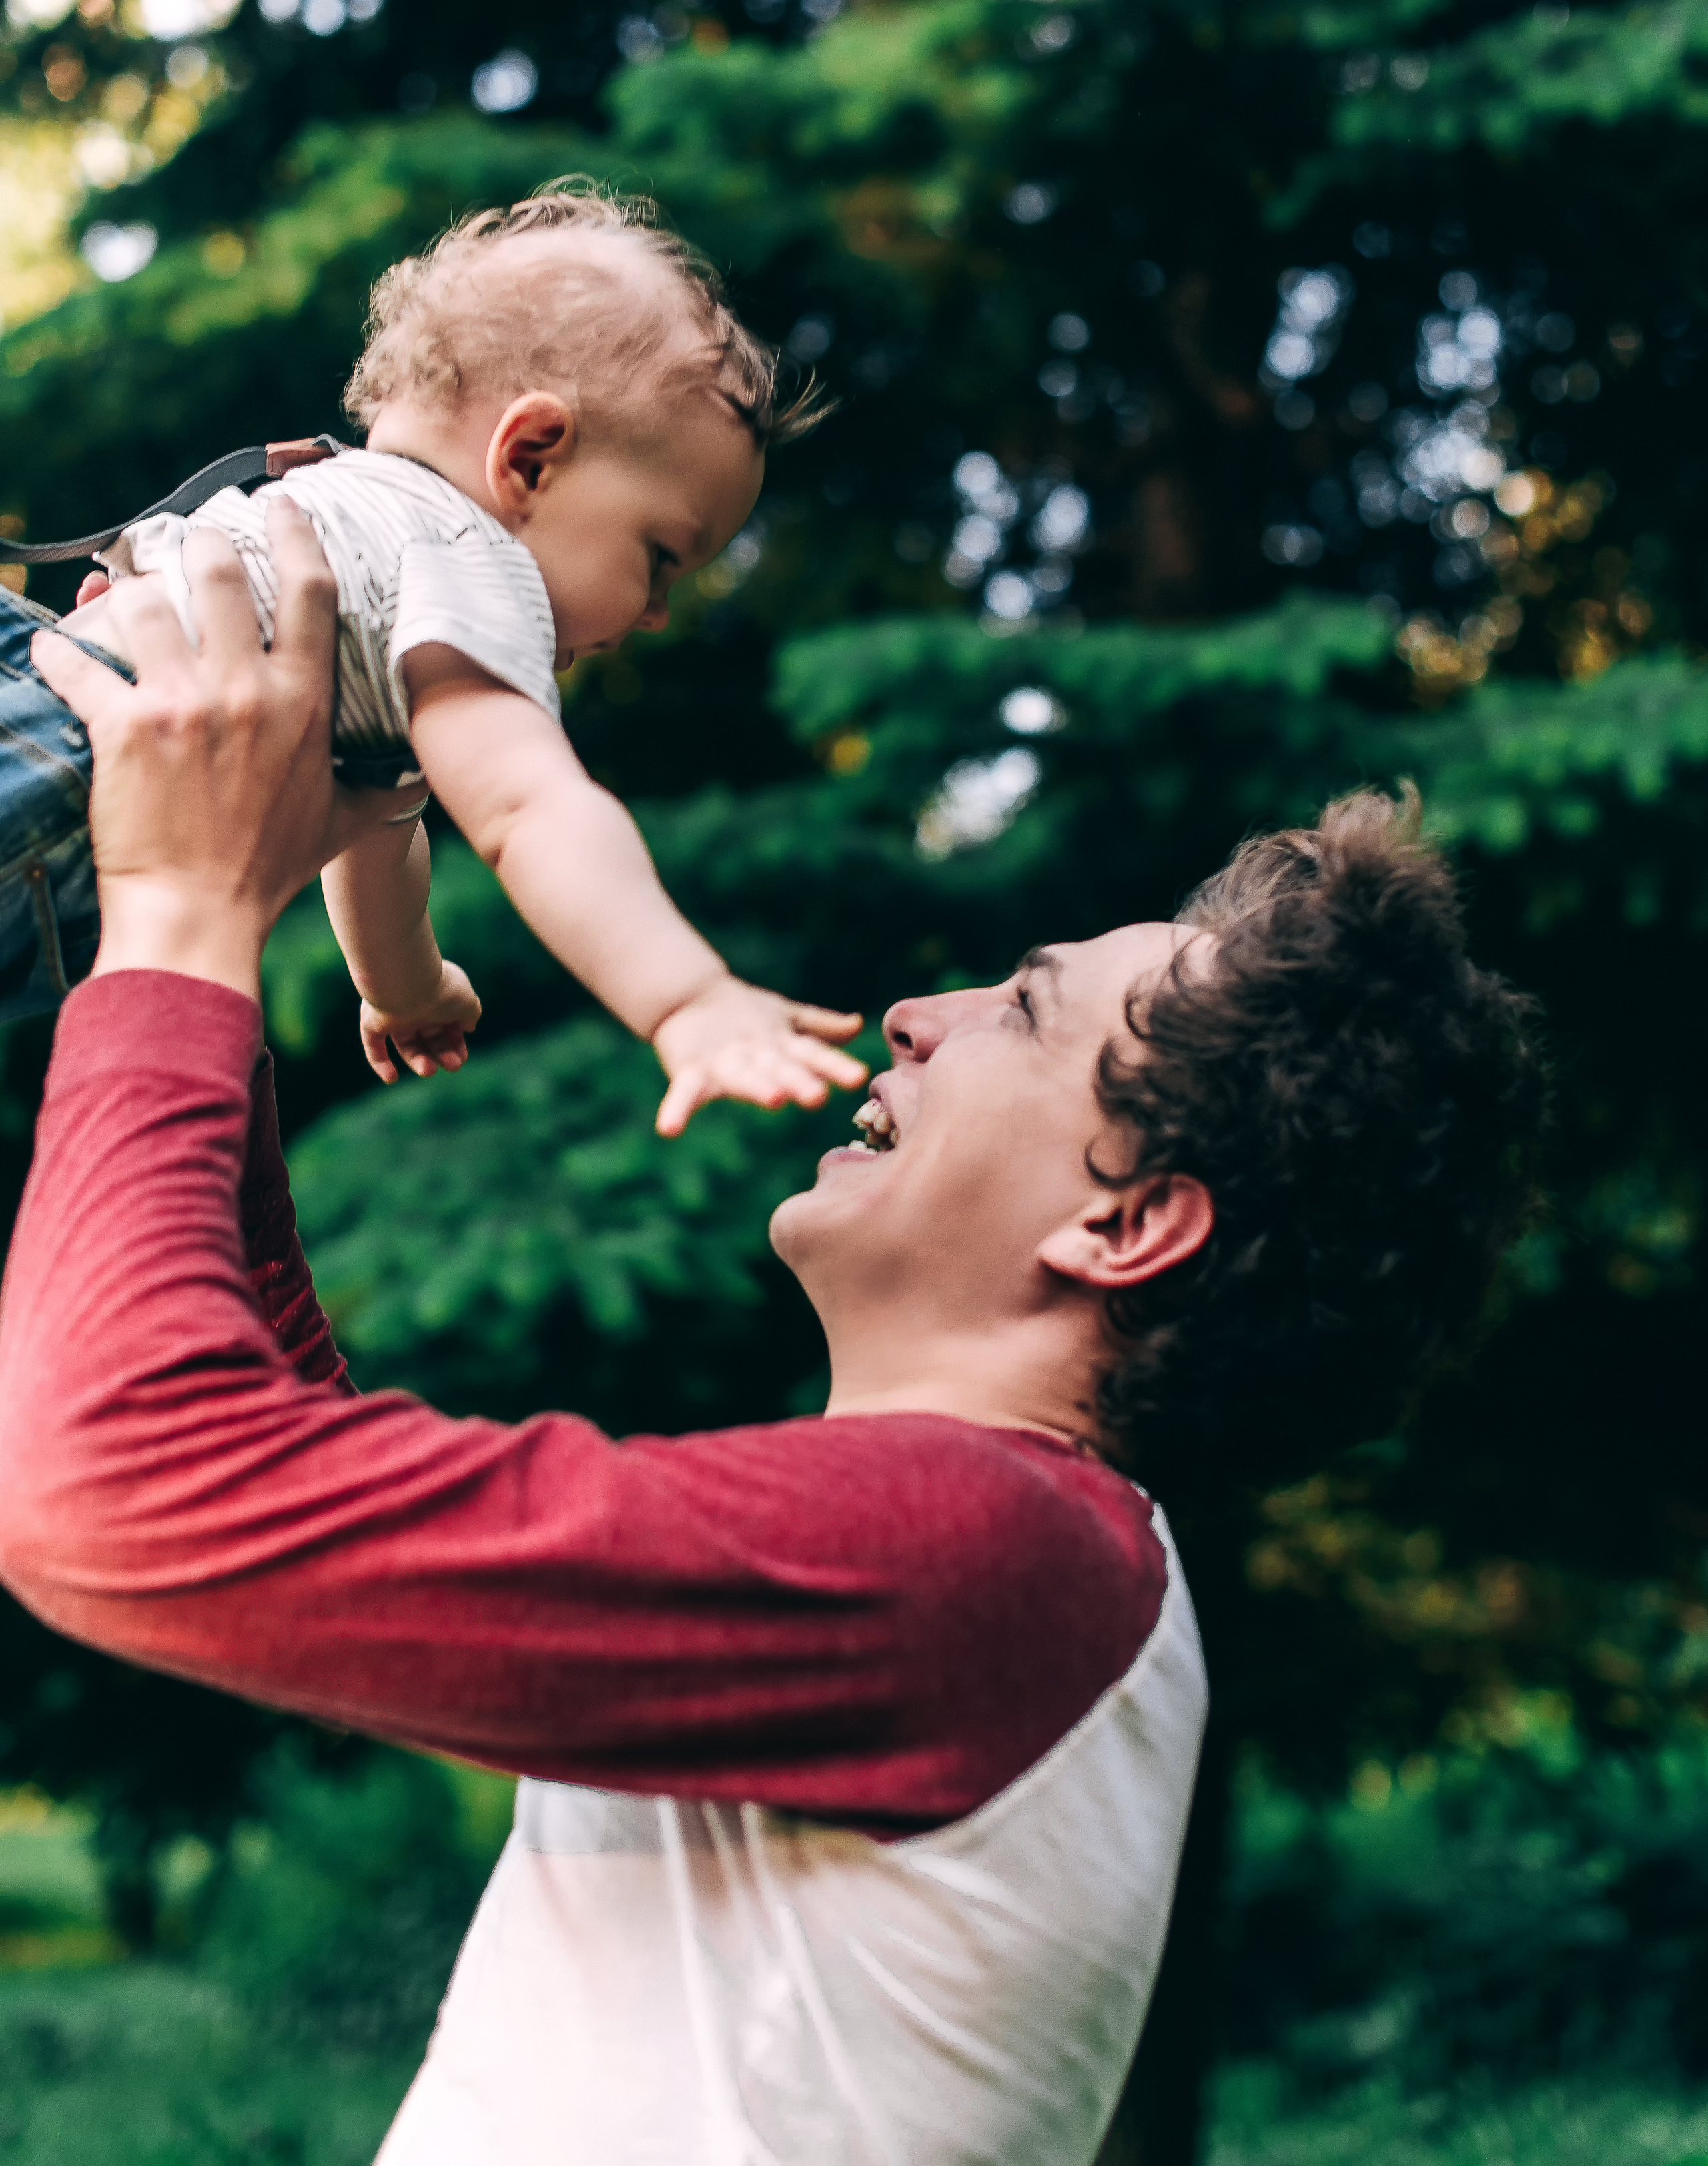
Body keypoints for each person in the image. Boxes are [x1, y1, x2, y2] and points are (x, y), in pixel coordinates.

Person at [0, 522, 1546, 2166]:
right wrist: (179, 900)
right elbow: (299, 1497)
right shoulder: (1003, 1564)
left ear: (1121, 1224)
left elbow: (119, 1489)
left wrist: (181, 906)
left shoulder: (985, 1553)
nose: (916, 1015)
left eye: (1019, 1010)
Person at [3, 180, 866, 1137]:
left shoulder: (352, 518)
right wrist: (686, 999)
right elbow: (529, 809)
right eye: (660, 556)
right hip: (68, 776)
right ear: (530, 457)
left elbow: (374, 831)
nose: (658, 615)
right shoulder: (472, 553)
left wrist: (405, 986)